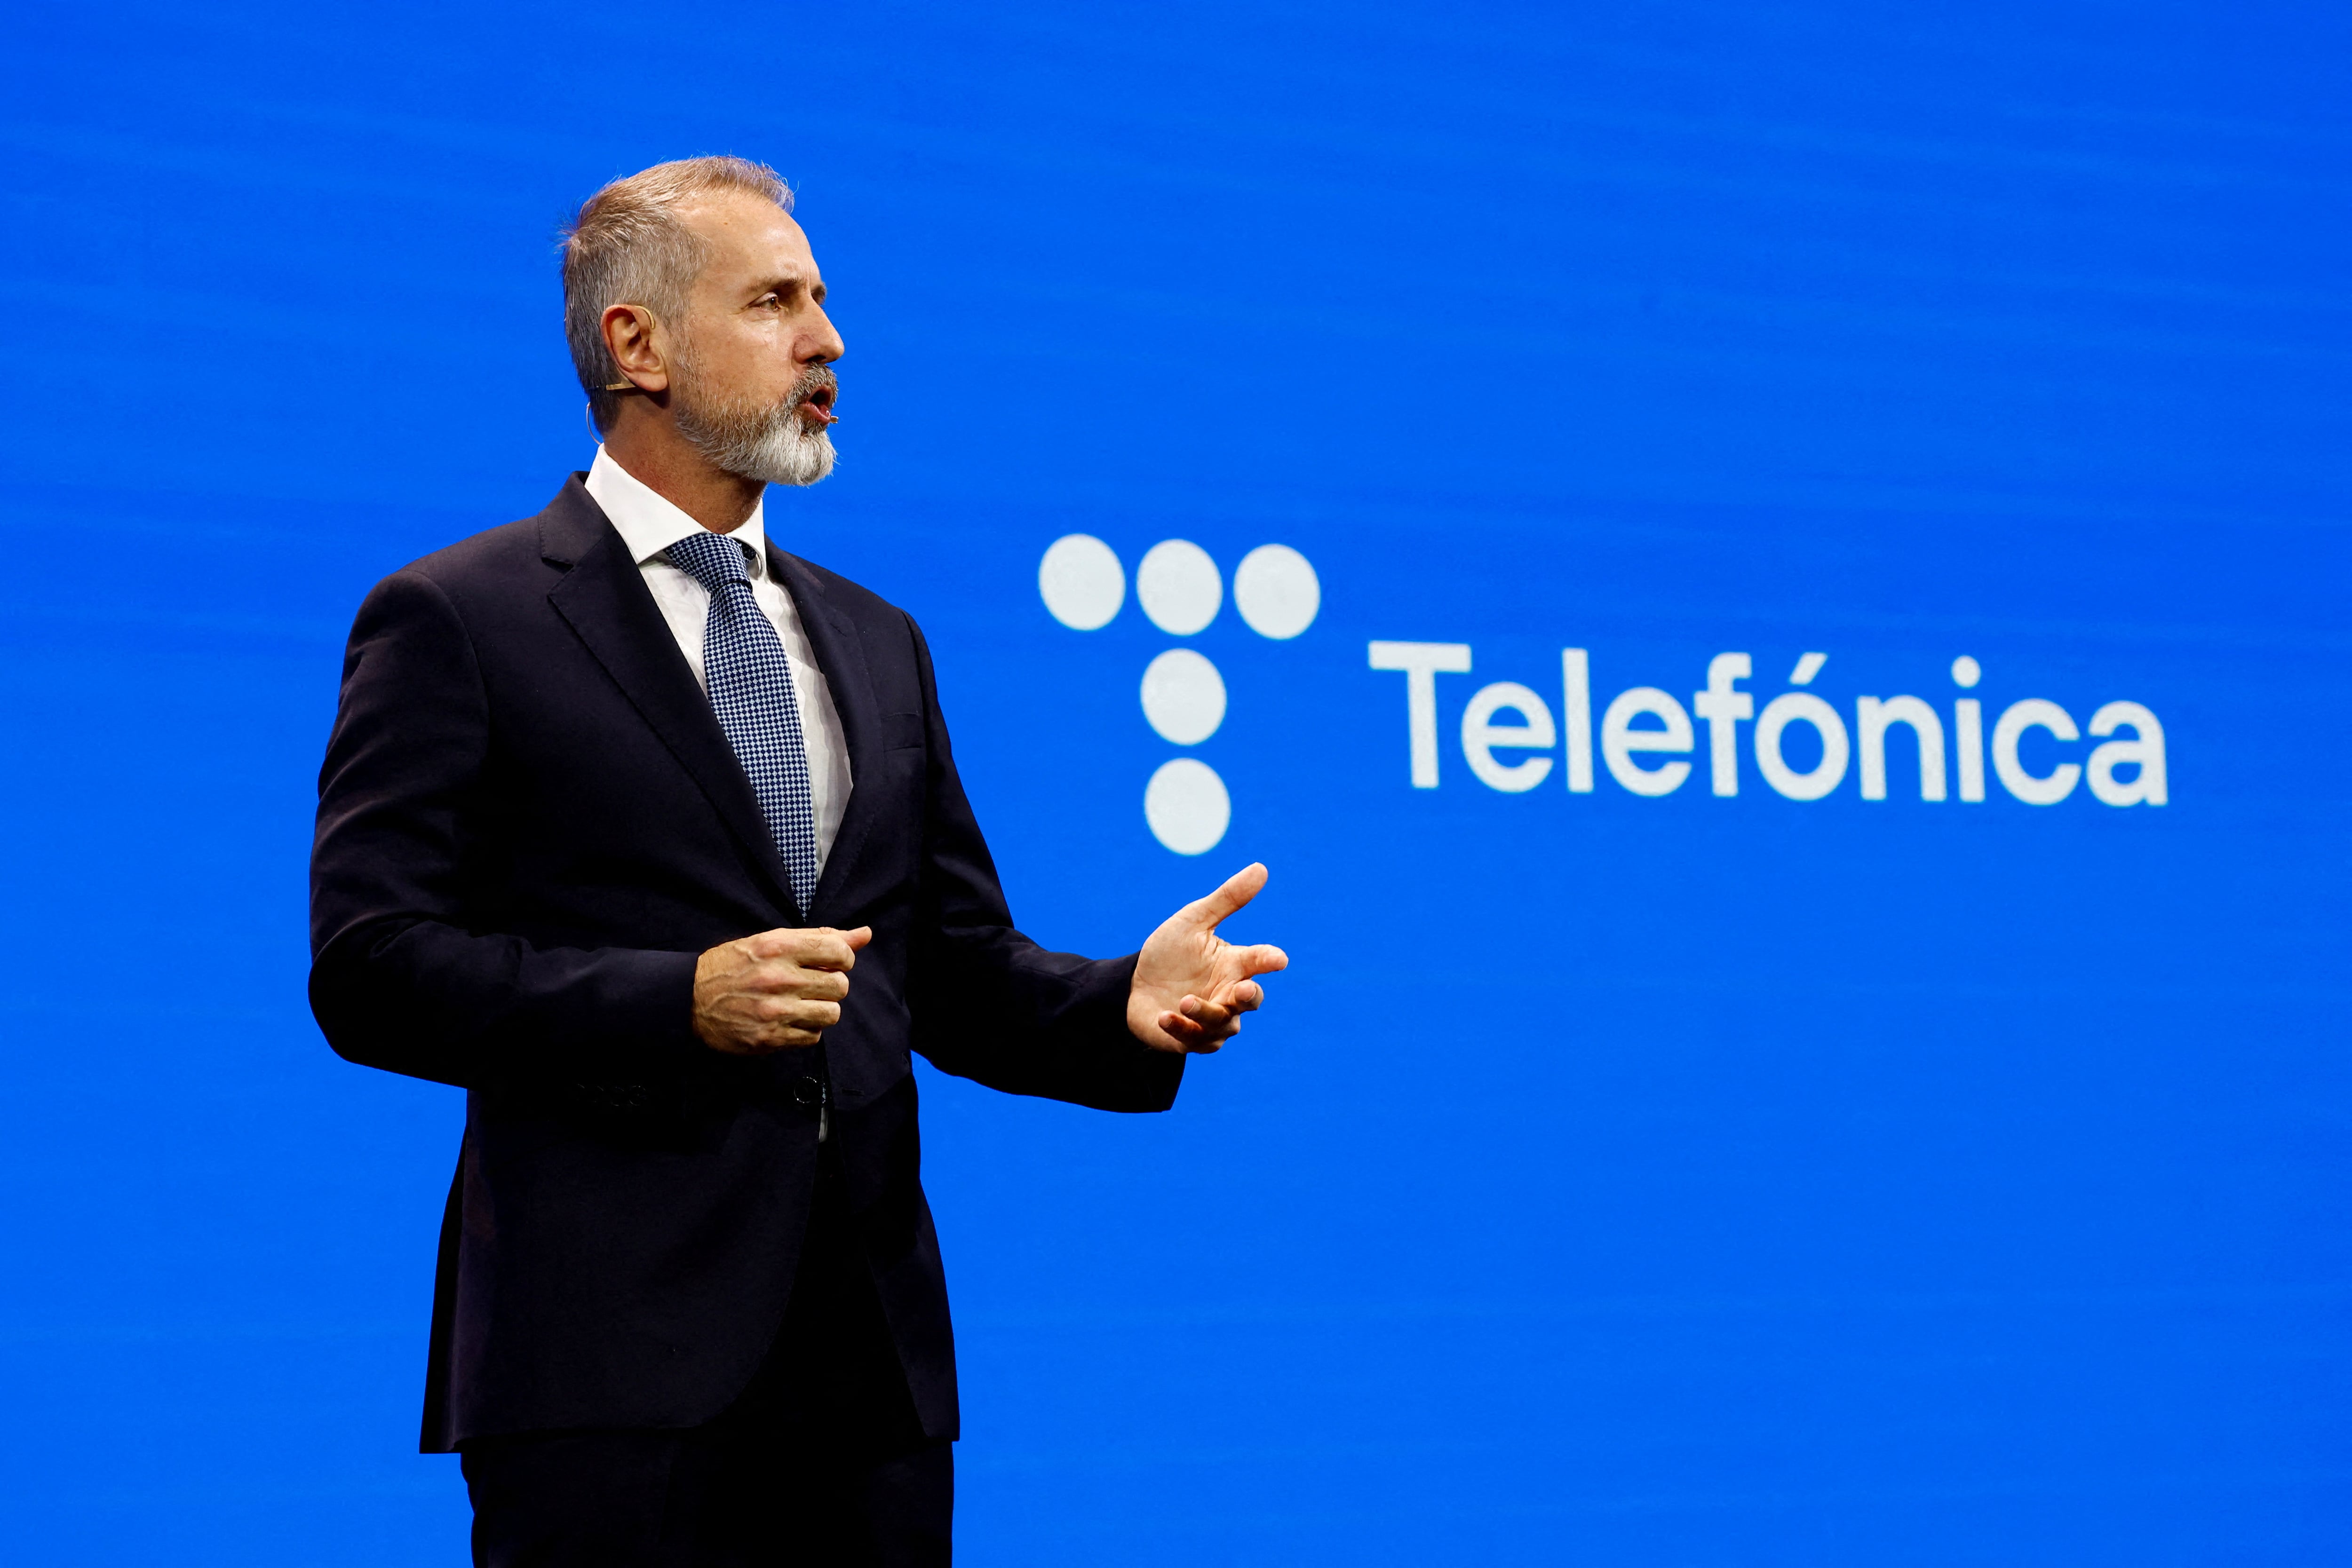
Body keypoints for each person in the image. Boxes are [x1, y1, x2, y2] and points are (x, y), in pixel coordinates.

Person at [307, 154, 1287, 1568]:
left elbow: (941, 966)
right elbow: (372, 969)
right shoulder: (459, 616)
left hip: (868, 1372)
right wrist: (679, 1001)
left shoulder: (877, 637)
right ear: (636, 344)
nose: (828, 341)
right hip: (607, 1369)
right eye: (774, 302)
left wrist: (1118, 1001)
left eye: (821, 301)